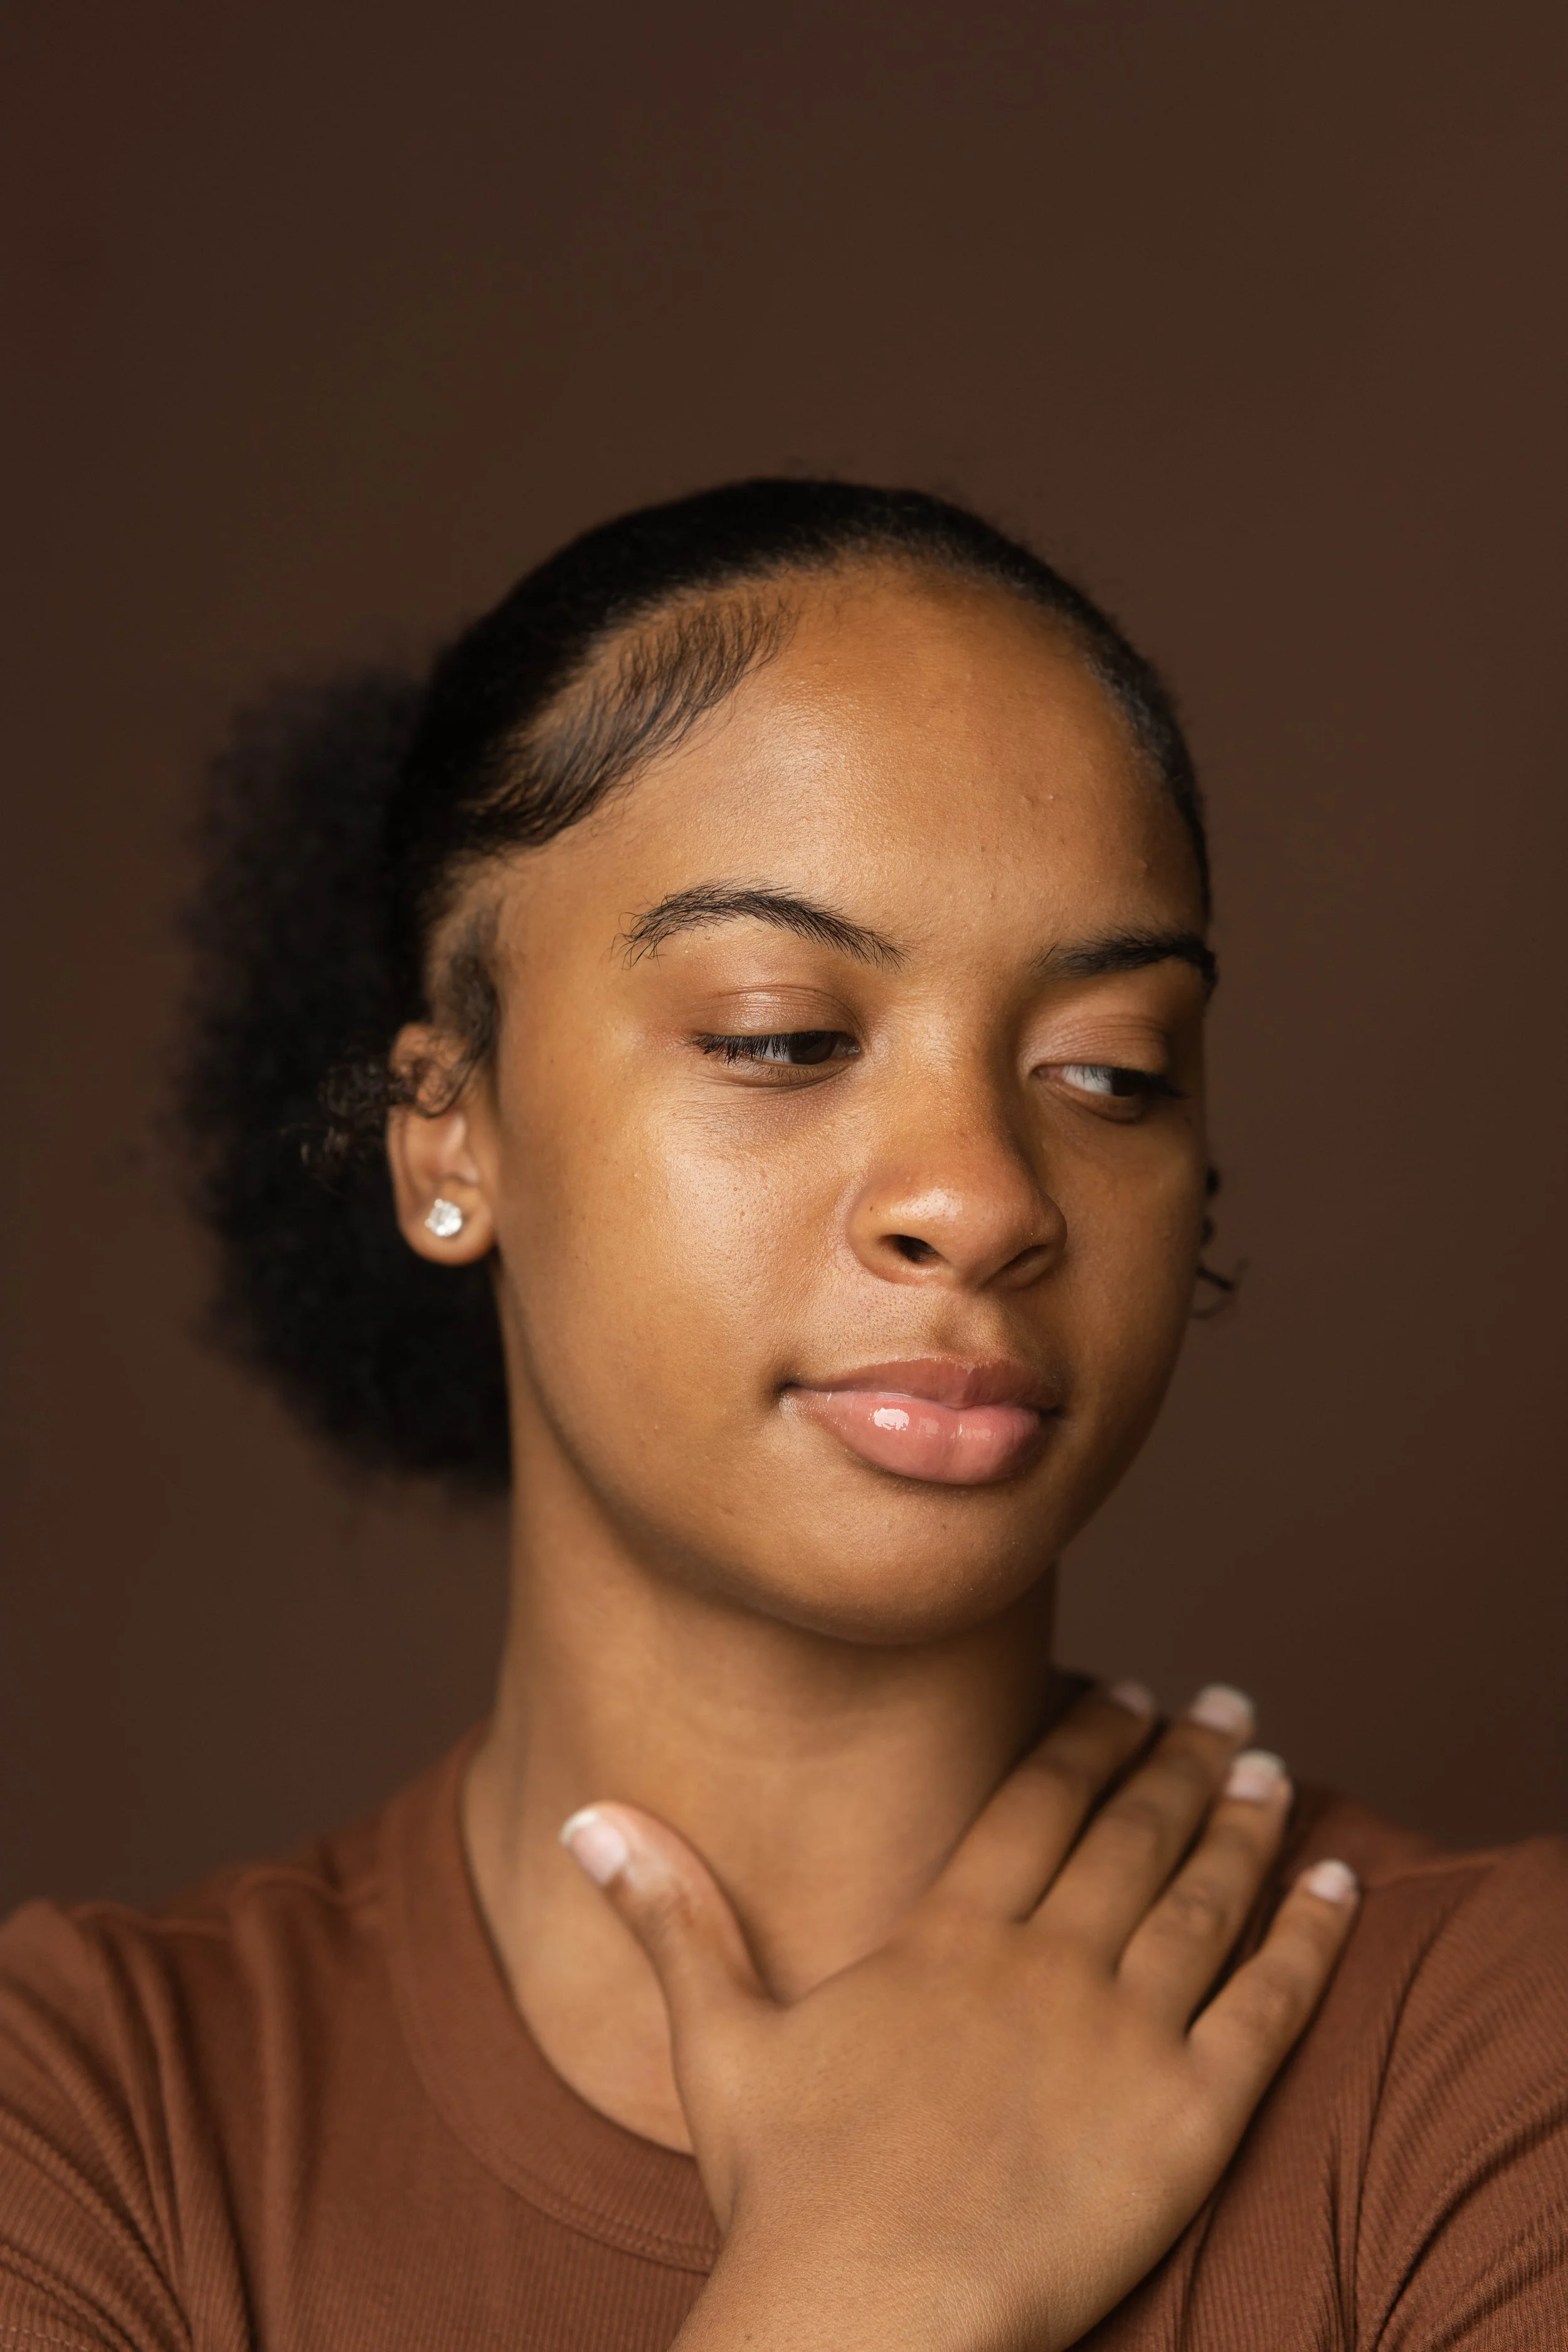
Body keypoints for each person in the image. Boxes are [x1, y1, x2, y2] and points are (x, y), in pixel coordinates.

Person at [1, 480, 1563, 2349]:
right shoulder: (97, 2122)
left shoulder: (1493, 2058)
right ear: (452, 1128)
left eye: (1108, 1070)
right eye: (778, 1035)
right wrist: (859, 2287)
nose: (982, 1192)